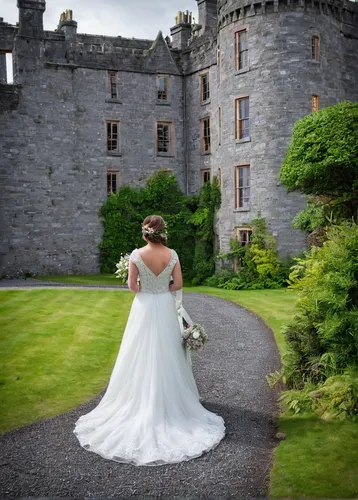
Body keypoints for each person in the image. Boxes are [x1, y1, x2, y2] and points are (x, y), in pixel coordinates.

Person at [74, 215, 225, 466]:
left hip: (144, 307)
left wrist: (146, 284)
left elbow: (133, 287)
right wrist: (162, 287)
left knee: (138, 351)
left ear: (145, 233)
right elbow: (178, 283)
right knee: (167, 352)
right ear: (163, 232)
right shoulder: (172, 254)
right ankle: (170, 401)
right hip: (164, 305)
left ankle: (139, 400)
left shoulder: (136, 255)